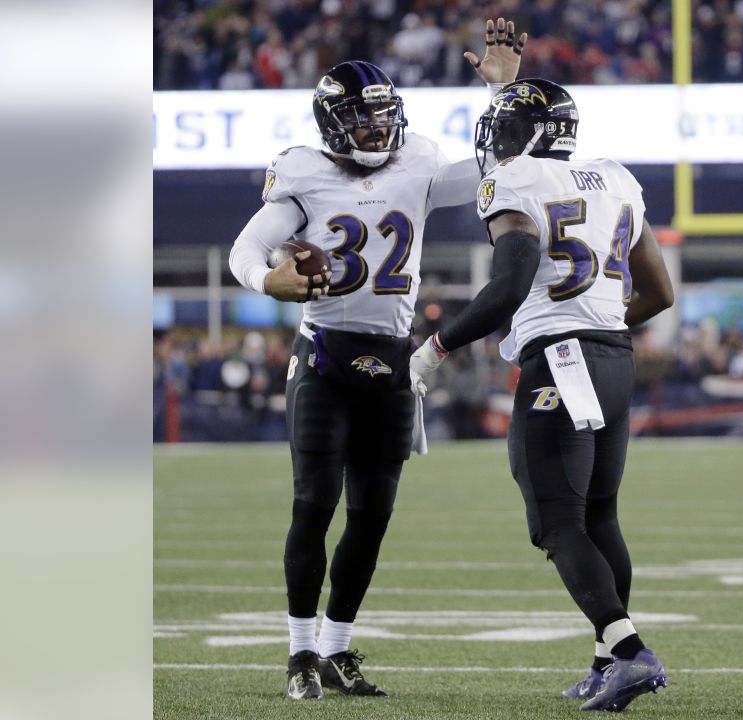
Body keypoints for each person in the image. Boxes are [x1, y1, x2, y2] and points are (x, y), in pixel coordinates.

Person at [227, 18, 527, 701]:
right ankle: (300, 651)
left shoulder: (418, 162)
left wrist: (502, 96)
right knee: (313, 502)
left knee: (373, 514)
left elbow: (497, 163)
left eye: (383, 119)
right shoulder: (301, 171)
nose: (376, 131)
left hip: (391, 361)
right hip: (326, 355)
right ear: (333, 124)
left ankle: (336, 647)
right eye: (363, 121)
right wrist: (266, 280)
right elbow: (246, 250)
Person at [407, 78, 675, 712]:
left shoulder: (513, 181)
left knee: (556, 522)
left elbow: (510, 283)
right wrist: (597, 320)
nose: (493, 144)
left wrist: (433, 349)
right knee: (598, 515)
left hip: (560, 360)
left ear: (524, 136)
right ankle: (607, 663)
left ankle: (630, 651)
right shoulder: (613, 175)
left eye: (501, 130)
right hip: (613, 355)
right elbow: (660, 293)